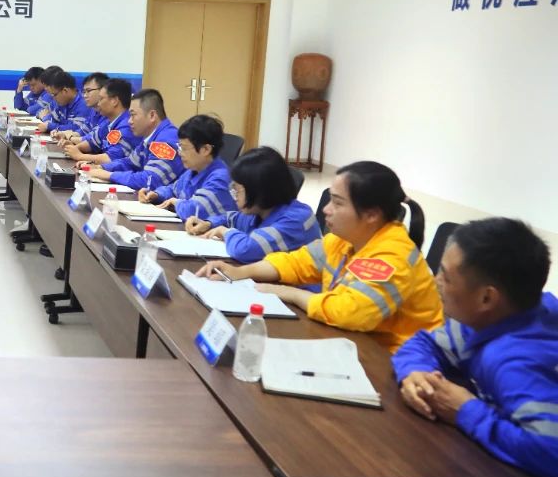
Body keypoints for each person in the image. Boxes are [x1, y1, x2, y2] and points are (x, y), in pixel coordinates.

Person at [366, 218, 558, 477]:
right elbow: (424, 342)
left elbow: (550, 452)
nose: (435, 280)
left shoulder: (515, 362)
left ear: (487, 297)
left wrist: (467, 410)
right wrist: (414, 373)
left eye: (446, 276)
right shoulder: (512, 314)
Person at [195, 161, 442, 352]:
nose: (326, 209)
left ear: (371, 215)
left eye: (337, 203)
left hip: (397, 362)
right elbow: (296, 262)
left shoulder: (392, 254)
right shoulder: (345, 238)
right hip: (353, 341)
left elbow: (349, 312)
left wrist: (288, 293)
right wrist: (240, 272)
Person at [186, 146, 320, 263]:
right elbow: (231, 218)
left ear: (258, 190)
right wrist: (208, 223)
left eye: (237, 190)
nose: (234, 196)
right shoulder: (260, 209)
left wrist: (224, 231)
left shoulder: (295, 220)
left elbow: (245, 250)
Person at [139, 114, 235, 221]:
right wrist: (156, 195)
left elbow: (194, 210)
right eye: (180, 147)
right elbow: (174, 189)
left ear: (206, 149)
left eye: (184, 148)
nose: (180, 153)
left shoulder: (220, 178)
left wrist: (176, 202)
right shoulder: (194, 170)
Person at [87, 88, 184, 192]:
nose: (129, 121)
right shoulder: (151, 136)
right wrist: (102, 168)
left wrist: (109, 175)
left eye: (133, 115)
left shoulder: (166, 141)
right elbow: (130, 162)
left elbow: (149, 181)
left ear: (152, 115)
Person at [62, 77, 134, 168]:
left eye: (101, 99)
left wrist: (79, 156)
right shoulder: (109, 121)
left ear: (114, 101)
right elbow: (93, 143)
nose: (98, 104)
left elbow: (110, 158)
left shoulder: (127, 126)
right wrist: (74, 148)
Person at [37, 70, 91, 136]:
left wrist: (49, 126)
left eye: (54, 95)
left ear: (65, 90)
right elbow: (50, 117)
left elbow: (76, 128)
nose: (53, 98)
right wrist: (48, 121)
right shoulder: (62, 102)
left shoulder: (84, 104)